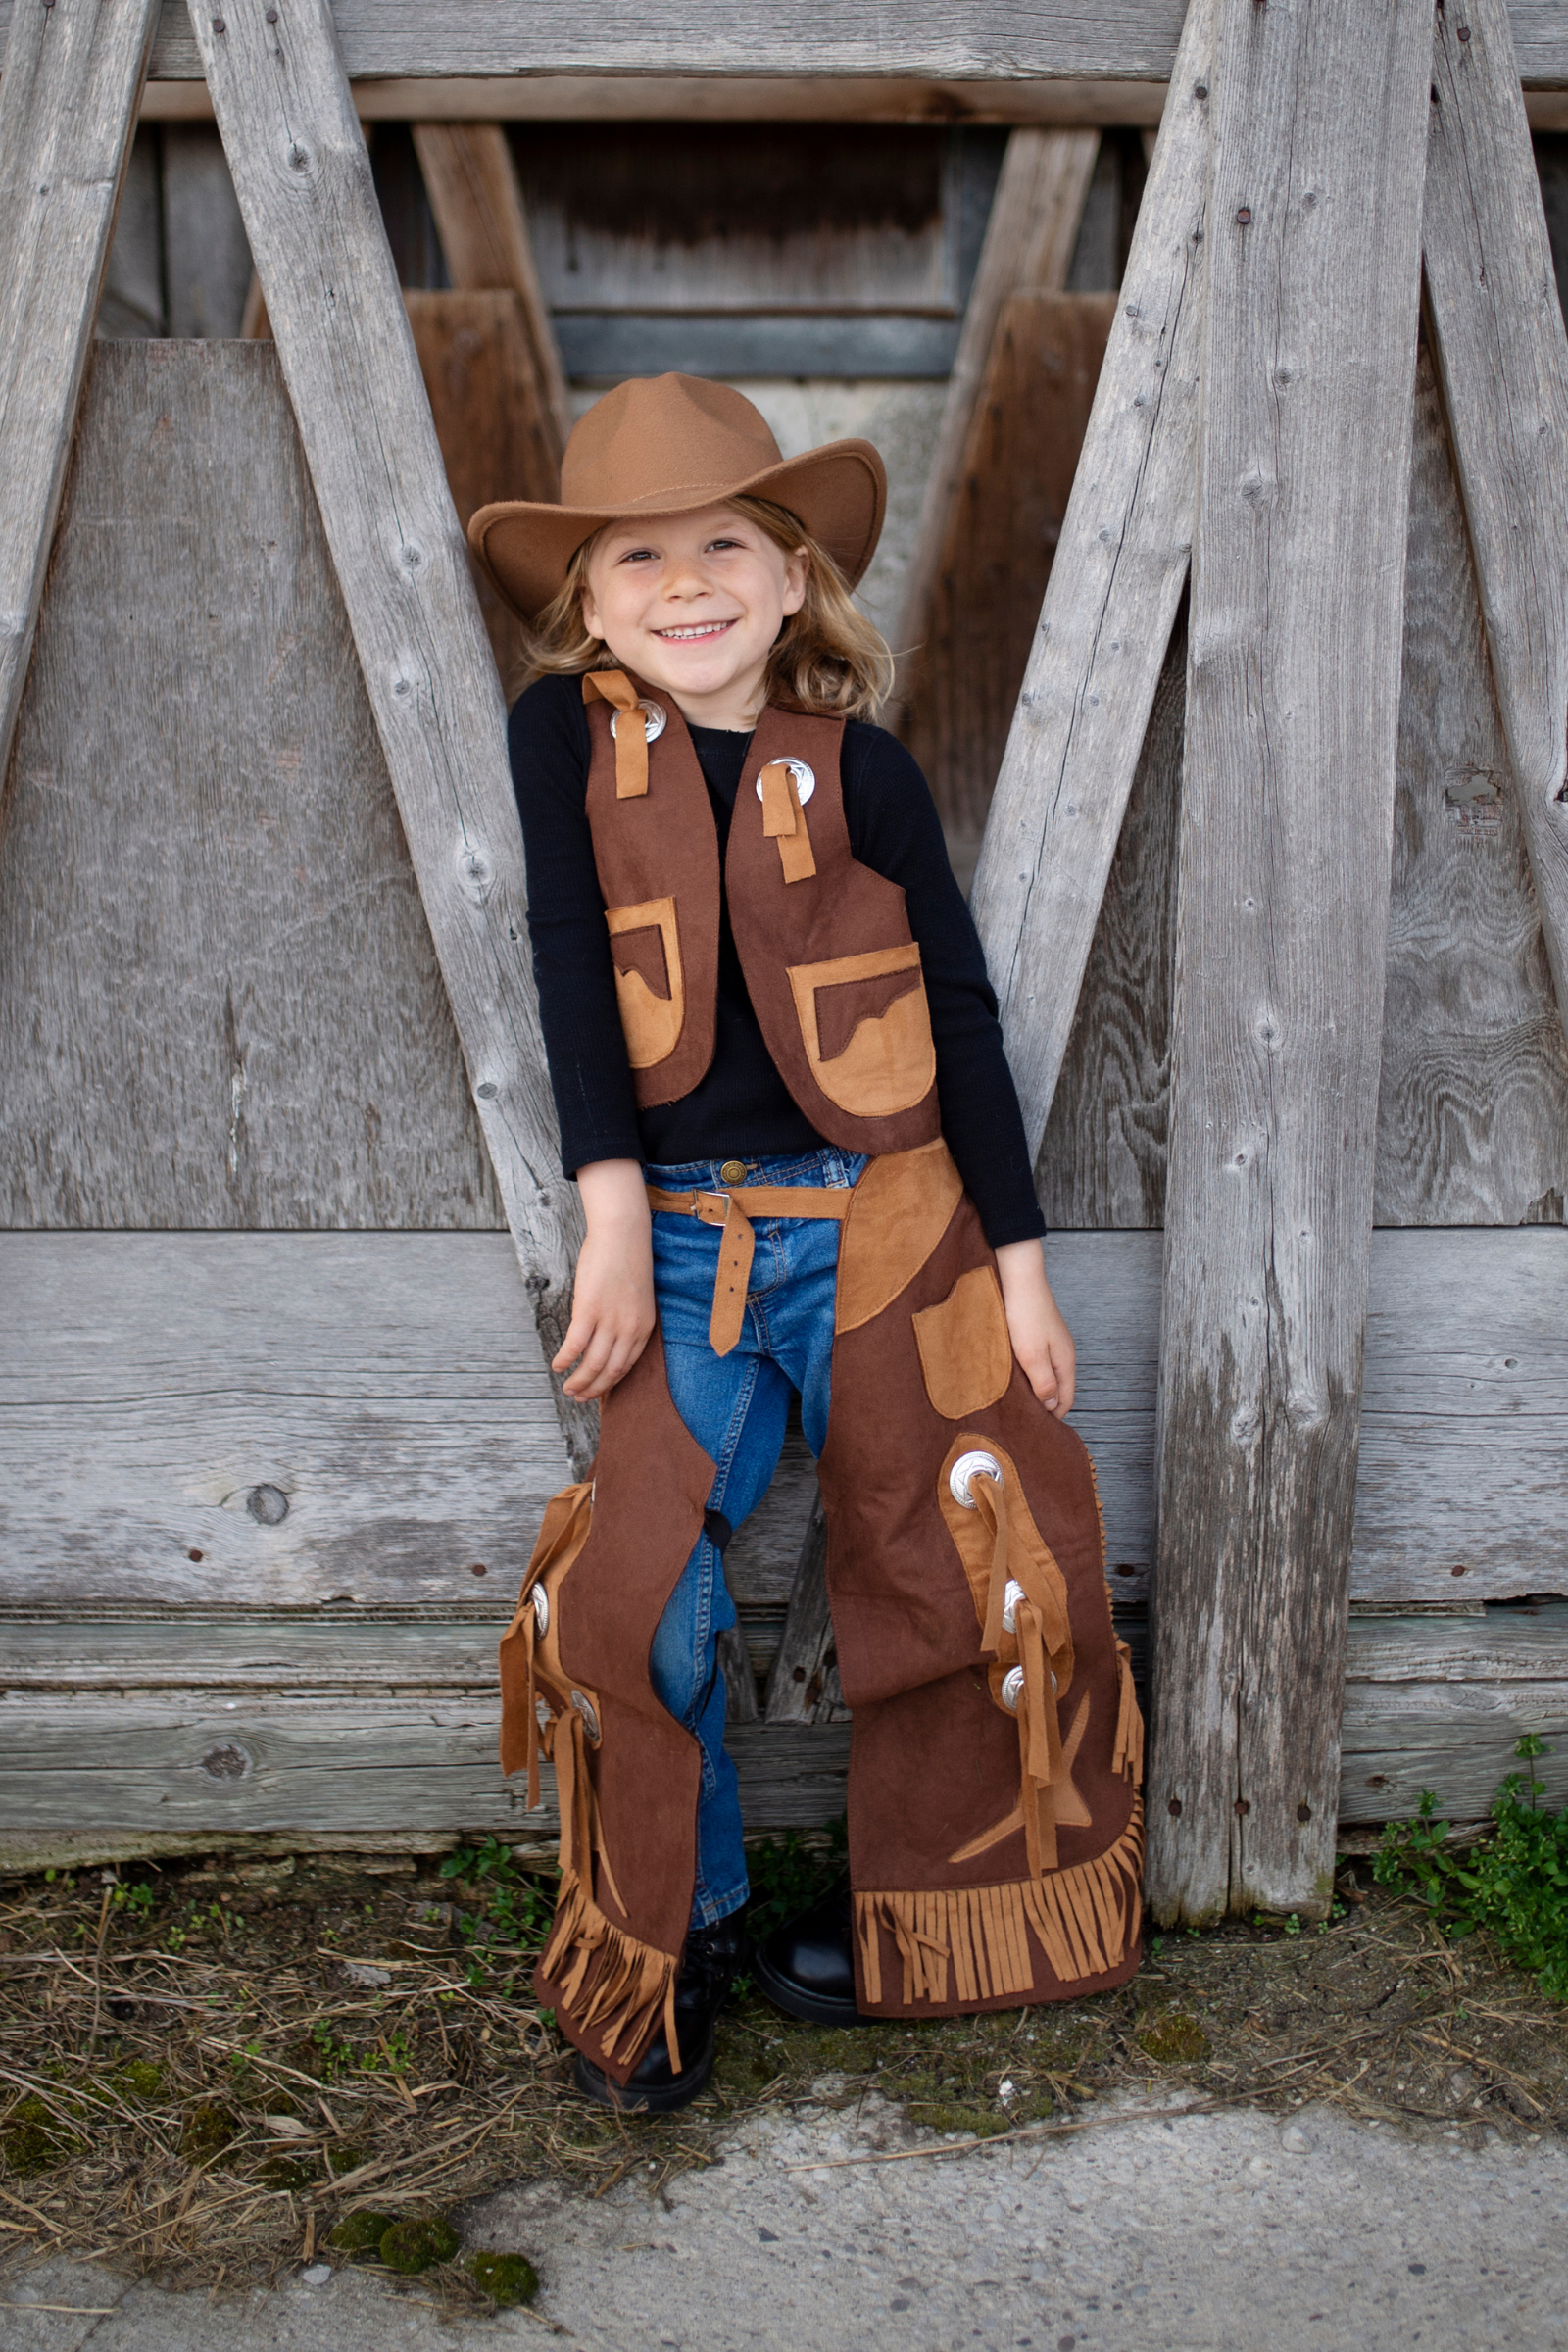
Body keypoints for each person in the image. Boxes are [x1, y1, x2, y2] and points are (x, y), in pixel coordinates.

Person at [470, 373, 1144, 2116]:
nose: (682, 586)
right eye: (637, 559)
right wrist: (610, 1214)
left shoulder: (868, 773)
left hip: (886, 1226)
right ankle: (667, 1933)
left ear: (789, 581)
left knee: (954, 1552)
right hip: (686, 1248)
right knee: (641, 1587)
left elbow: (966, 1020)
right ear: (588, 599)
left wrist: (1020, 1261)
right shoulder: (566, 744)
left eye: (722, 547)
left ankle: (945, 1918)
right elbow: (566, 961)